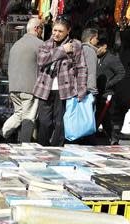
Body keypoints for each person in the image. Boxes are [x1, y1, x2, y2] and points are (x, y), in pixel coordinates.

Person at [33, 16, 88, 147]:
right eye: (54, 30)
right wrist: (62, 50)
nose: (56, 34)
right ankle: (42, 148)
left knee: (60, 123)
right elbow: (42, 60)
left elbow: (81, 67)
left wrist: (82, 89)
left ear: (68, 31)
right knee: (44, 121)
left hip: (65, 90)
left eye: (60, 31)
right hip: (45, 88)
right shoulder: (45, 44)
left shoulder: (76, 45)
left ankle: (56, 149)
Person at [0, 18, 44, 142]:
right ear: (36, 29)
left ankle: (1, 134)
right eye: (42, 28)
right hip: (29, 88)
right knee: (29, 117)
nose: (42, 31)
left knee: (19, 114)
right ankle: (25, 144)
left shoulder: (17, 44)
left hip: (14, 87)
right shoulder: (39, 44)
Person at [96, 38, 126, 145]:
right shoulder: (97, 57)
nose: (96, 49)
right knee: (101, 115)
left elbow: (121, 73)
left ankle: (114, 138)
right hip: (98, 92)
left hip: (107, 93)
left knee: (107, 115)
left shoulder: (112, 58)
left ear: (105, 46)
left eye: (98, 46)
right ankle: (107, 136)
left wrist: (108, 84)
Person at [81, 28, 99, 96]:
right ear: (91, 39)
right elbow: (91, 72)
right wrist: (92, 90)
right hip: (87, 91)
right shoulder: (89, 51)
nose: (98, 40)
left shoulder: (80, 48)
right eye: (96, 38)